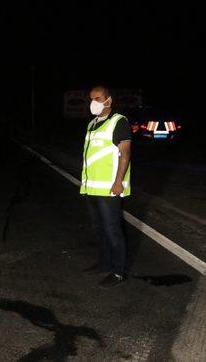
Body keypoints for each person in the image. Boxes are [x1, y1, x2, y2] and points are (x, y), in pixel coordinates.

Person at [80, 85, 132, 288]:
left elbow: (124, 154)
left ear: (109, 100)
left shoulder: (119, 122)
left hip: (109, 189)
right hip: (91, 188)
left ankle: (118, 272)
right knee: (99, 229)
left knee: (112, 231)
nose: (94, 102)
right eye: (91, 98)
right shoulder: (92, 124)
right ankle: (104, 263)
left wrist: (118, 181)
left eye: (98, 98)